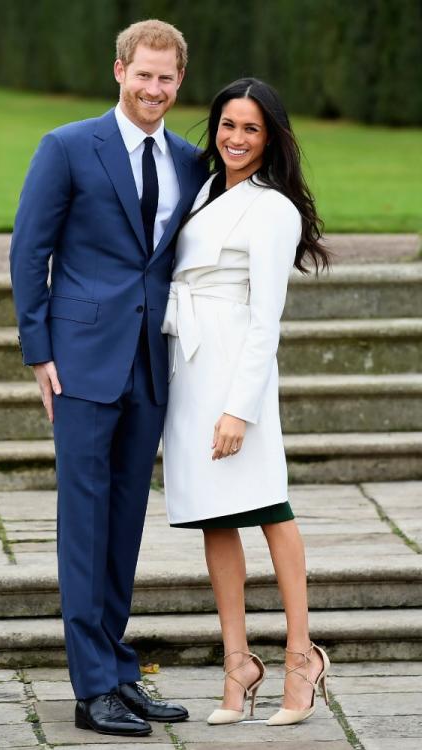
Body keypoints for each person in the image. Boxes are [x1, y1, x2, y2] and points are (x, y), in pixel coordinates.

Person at [10, 19, 208, 738]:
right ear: (118, 70)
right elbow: (29, 250)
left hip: (151, 364)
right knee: (84, 524)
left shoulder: (190, 160)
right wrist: (39, 351)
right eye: (143, 74)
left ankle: (119, 672)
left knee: (124, 524)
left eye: (167, 78)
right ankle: (91, 686)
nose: (154, 88)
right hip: (81, 363)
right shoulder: (66, 147)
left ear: (178, 82)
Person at [160, 77, 332, 726]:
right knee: (214, 516)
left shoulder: (272, 209)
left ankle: (299, 656)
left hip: (237, 369)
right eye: (228, 125)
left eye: (251, 129)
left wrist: (241, 409)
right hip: (189, 368)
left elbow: (266, 320)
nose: (236, 138)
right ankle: (238, 666)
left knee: (270, 509)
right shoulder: (205, 189)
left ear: (271, 138)